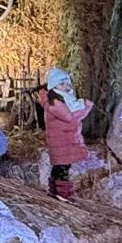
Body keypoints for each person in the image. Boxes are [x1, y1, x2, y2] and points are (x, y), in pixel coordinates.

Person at [39, 66, 94, 200]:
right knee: (63, 167)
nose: (66, 86)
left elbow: (73, 117)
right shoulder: (55, 103)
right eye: (62, 84)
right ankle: (62, 194)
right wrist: (86, 107)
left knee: (60, 165)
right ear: (54, 86)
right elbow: (70, 118)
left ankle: (54, 191)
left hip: (63, 139)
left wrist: (83, 108)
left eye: (67, 83)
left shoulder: (64, 99)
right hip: (61, 140)